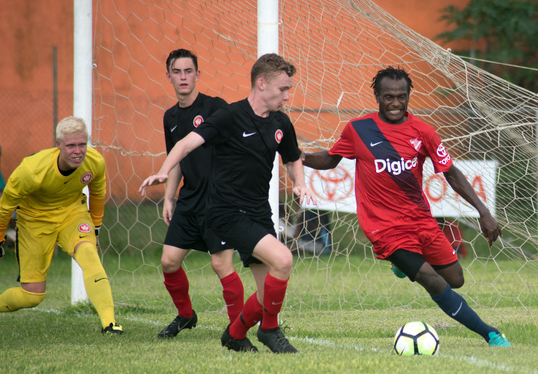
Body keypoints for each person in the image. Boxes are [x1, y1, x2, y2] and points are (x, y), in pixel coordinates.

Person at [302, 66, 511, 347]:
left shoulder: (423, 131)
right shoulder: (358, 129)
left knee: (455, 279)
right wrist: (295, 154)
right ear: (377, 96)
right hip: (383, 226)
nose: (396, 103)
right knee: (431, 279)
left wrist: (483, 211)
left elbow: (451, 172)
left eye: (402, 96)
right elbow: (329, 160)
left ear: (409, 95)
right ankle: (490, 333)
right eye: (389, 97)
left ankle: (402, 265)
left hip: (420, 220)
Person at [140, 53, 316, 353]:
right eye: (282, 89)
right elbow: (185, 144)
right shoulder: (229, 116)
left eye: (289, 90)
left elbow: (292, 158)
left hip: (259, 211)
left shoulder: (281, 122)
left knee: (264, 296)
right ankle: (270, 332)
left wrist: (299, 182)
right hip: (226, 212)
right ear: (261, 84)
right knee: (283, 260)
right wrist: (163, 171)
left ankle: (234, 335)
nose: (287, 96)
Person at [0, 117, 123, 335]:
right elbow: (4, 207)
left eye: (82, 144)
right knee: (32, 296)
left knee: (89, 254)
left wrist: (96, 226)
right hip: (34, 221)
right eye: (71, 145)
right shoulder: (31, 171)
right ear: (58, 145)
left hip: (72, 214)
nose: (77, 151)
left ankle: (109, 324)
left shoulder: (95, 162)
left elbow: (98, 193)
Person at [156, 49, 244, 339]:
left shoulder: (215, 107)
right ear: (168, 75)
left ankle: (237, 329)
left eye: (188, 71)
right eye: (177, 72)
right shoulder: (170, 116)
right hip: (190, 198)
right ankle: (185, 315)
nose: (183, 77)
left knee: (221, 264)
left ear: (197, 75)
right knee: (169, 261)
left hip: (219, 200)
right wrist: (170, 197)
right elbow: (177, 159)